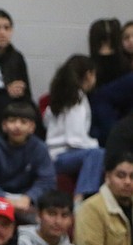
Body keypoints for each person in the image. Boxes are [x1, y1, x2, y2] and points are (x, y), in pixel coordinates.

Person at [0, 101, 56, 222]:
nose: (17, 126)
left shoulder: (39, 147)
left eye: (23, 122)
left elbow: (47, 180)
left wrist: (29, 197)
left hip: (27, 200)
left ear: (32, 127)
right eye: (12, 121)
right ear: (4, 125)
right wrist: (3, 198)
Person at [44, 55, 105, 199]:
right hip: (60, 156)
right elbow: (74, 140)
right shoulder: (77, 99)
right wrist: (95, 144)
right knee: (98, 153)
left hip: (54, 154)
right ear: (89, 75)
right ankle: (80, 199)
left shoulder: (60, 96)